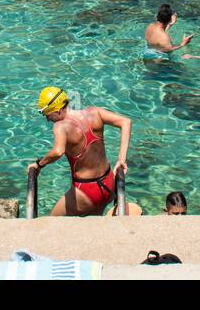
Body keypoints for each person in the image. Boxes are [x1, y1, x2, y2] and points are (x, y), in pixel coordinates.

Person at [29, 87, 135, 217]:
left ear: (57, 111)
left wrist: (39, 165)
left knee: (49, 223)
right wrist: (121, 160)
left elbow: (58, 151)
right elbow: (126, 122)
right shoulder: (95, 112)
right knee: (95, 224)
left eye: (47, 115)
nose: (48, 120)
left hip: (85, 191)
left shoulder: (61, 126)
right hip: (109, 183)